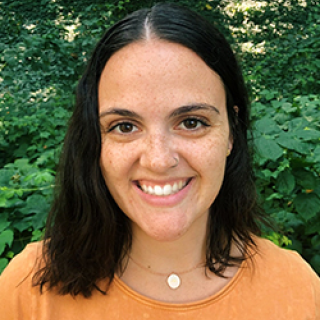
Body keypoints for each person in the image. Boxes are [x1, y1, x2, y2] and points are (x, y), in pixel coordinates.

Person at [0, 3, 319, 319]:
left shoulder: (297, 291)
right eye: (124, 126)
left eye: (192, 122)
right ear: (95, 142)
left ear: (232, 133)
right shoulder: (28, 290)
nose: (159, 159)